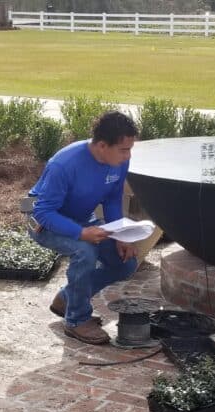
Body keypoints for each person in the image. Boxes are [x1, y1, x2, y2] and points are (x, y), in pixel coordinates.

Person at [27, 111, 139, 345]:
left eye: (130, 149)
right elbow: (42, 211)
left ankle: (67, 298)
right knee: (84, 251)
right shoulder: (64, 164)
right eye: (124, 149)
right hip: (45, 223)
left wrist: (120, 235)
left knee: (125, 263)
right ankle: (77, 320)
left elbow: (111, 200)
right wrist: (81, 233)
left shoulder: (118, 161)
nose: (128, 155)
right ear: (101, 145)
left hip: (81, 220)